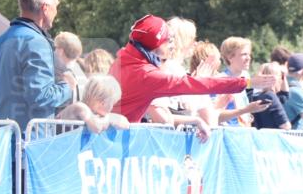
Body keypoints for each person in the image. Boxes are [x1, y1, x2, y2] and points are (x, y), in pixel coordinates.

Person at [109, 14, 275, 124]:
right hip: (119, 141)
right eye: (168, 41)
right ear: (154, 46)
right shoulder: (148, 74)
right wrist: (247, 82)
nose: (172, 46)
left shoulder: (123, 59)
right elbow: (193, 86)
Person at [0, 0, 75, 130]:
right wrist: (67, 87)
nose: (56, 12)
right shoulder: (37, 42)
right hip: (27, 142)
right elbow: (41, 96)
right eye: (56, 6)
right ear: (45, 8)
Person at [57, 74, 130, 134]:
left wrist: (112, 118)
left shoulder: (91, 114)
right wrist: (110, 119)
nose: (111, 108)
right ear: (103, 103)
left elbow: (125, 123)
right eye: (112, 103)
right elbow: (97, 127)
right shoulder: (80, 108)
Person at [219, 36, 255, 126]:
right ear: (230, 57)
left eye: (249, 54)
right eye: (244, 54)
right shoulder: (221, 80)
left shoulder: (245, 78)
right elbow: (215, 114)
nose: (248, 58)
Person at [248, 62, 291, 130]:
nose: (281, 81)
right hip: (271, 138)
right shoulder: (271, 97)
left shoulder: (251, 96)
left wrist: (283, 76)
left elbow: (284, 95)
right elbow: (286, 126)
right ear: (276, 79)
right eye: (280, 78)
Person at [54, 31, 86, 102]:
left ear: (60, 51)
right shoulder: (81, 72)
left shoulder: (61, 74)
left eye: (55, 47)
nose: (54, 51)